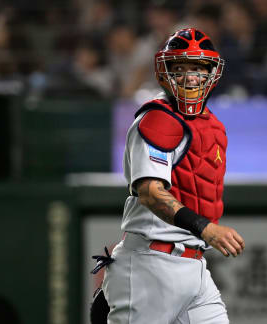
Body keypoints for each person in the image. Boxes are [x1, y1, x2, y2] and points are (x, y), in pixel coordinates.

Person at [91, 27, 245, 324]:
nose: (189, 77)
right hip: (149, 263)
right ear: (165, 72)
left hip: (194, 265)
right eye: (180, 67)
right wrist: (207, 229)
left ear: (212, 72)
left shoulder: (213, 127)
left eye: (198, 68)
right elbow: (150, 192)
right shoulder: (157, 119)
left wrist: (203, 234)